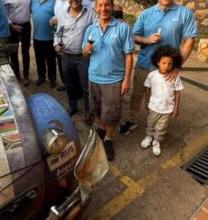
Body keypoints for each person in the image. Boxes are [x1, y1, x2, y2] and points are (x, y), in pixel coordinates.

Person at [119, 0, 198, 135]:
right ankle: (132, 120)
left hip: (167, 69)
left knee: (162, 98)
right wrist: (147, 40)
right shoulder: (146, 14)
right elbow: (134, 36)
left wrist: (177, 65)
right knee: (137, 95)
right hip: (145, 63)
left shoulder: (184, 13)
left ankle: (157, 126)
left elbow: (190, 40)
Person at [82, 0, 134, 161]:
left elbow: (129, 55)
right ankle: (102, 130)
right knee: (98, 109)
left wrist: (126, 80)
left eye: (107, 5)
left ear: (112, 6)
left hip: (113, 80)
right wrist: (86, 50)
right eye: (100, 5)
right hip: (94, 77)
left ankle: (109, 140)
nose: (103, 8)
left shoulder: (123, 28)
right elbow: (84, 53)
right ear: (95, 8)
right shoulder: (90, 29)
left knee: (111, 113)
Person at [54, 0, 97, 125]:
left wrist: (90, 44)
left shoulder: (91, 14)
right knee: (69, 83)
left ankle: (89, 112)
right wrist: (56, 44)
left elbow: (97, 30)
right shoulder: (62, 14)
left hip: (83, 57)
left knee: (85, 85)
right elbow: (58, 34)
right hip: (66, 56)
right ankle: (73, 106)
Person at [141, 45, 183, 156]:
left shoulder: (175, 77)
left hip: (167, 109)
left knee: (161, 127)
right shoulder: (152, 75)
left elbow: (178, 92)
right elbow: (147, 89)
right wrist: (146, 102)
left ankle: (156, 141)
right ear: (157, 62)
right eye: (164, 63)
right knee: (150, 123)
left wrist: (176, 107)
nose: (167, 66)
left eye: (170, 64)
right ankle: (149, 136)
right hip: (153, 106)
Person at [3, 0, 31, 86]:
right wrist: (11, 25)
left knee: (25, 51)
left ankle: (26, 75)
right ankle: (17, 75)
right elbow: (4, 12)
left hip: (26, 26)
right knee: (13, 52)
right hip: (12, 27)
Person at [31, 0, 57, 88]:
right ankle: (41, 77)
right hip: (37, 36)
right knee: (39, 59)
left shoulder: (53, 2)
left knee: (51, 60)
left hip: (50, 37)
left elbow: (58, 16)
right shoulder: (33, 1)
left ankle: (52, 79)